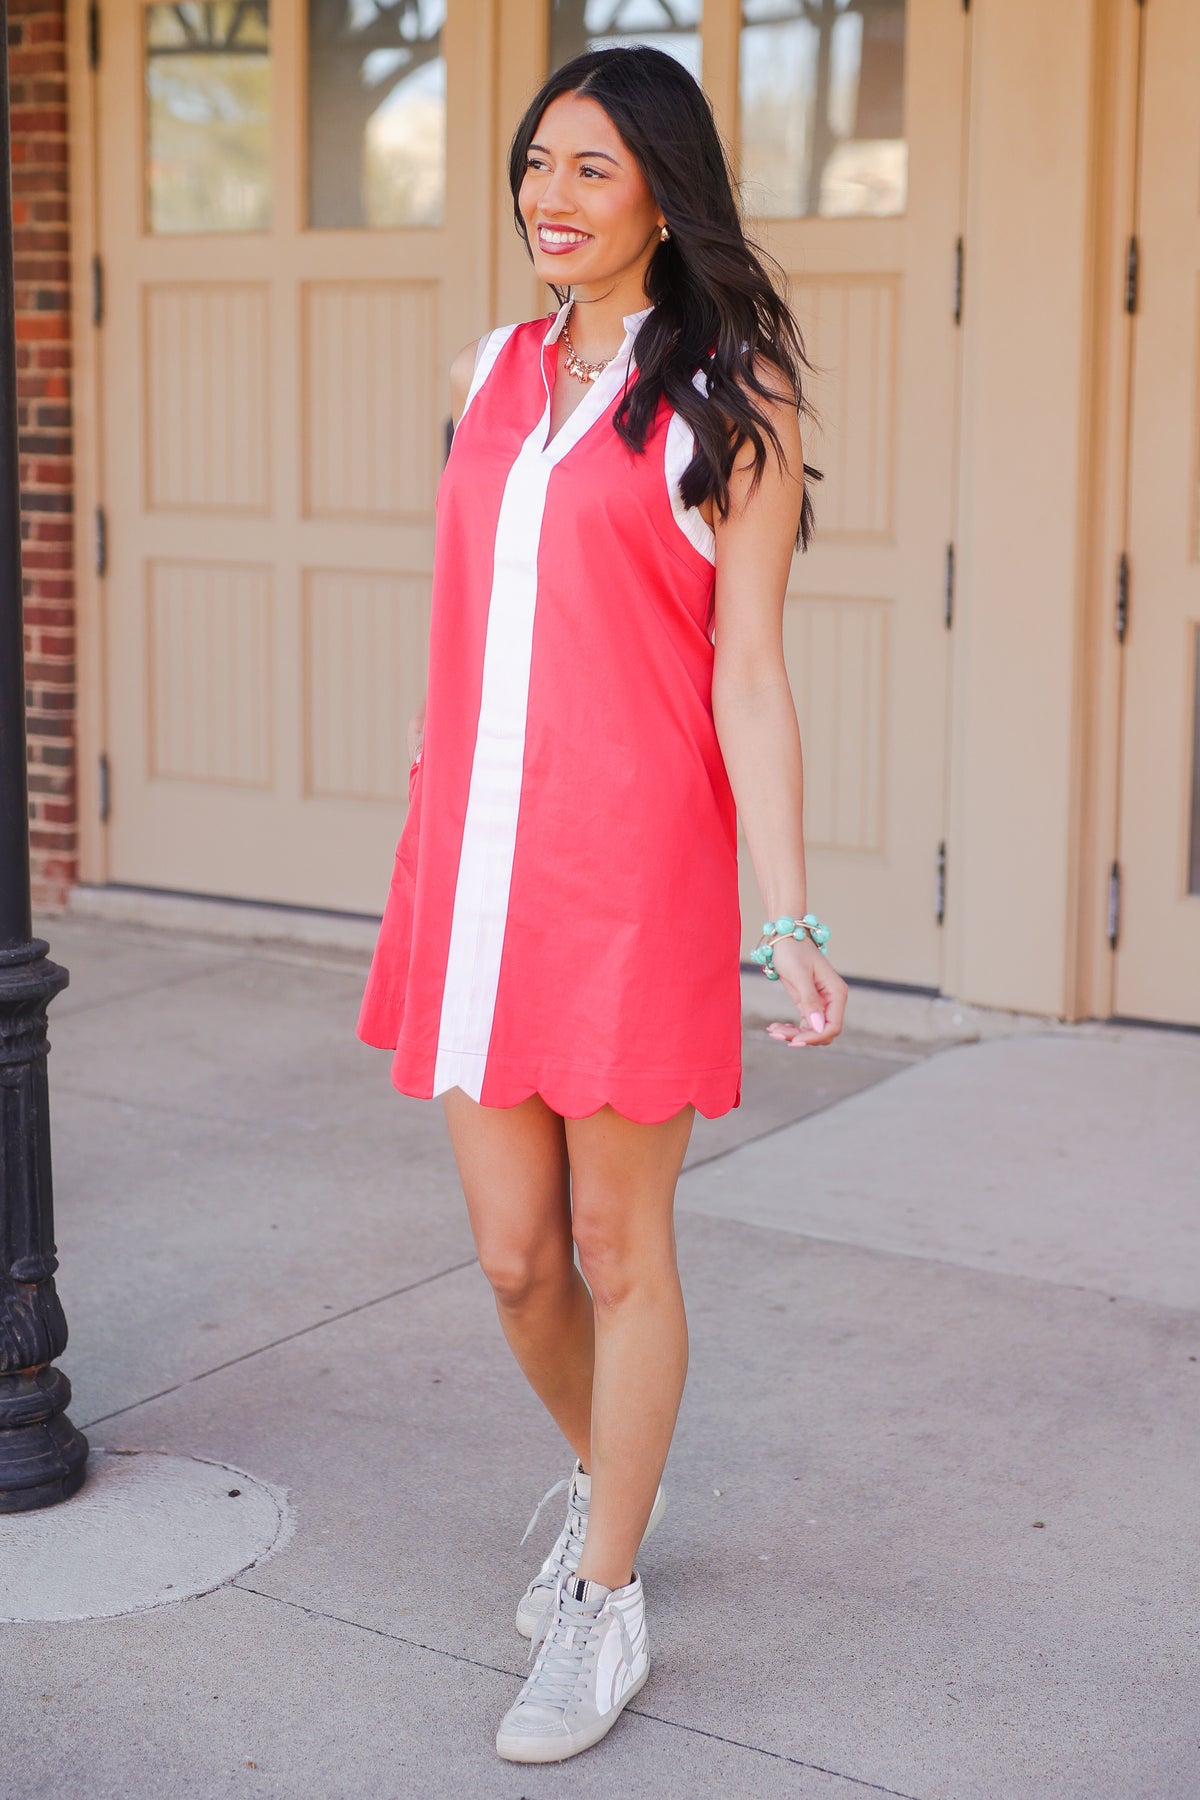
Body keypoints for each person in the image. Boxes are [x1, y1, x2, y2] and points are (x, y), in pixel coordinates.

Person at [357, 42, 848, 1766]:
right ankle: (605, 1474)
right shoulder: (490, 369)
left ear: (662, 190)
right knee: (513, 1260)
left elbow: (753, 678)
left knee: (617, 1246)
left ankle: (607, 1596)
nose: (549, 199)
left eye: (589, 169)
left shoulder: (735, 392)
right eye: (534, 164)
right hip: (474, 873)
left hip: (633, 878)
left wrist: (787, 912)